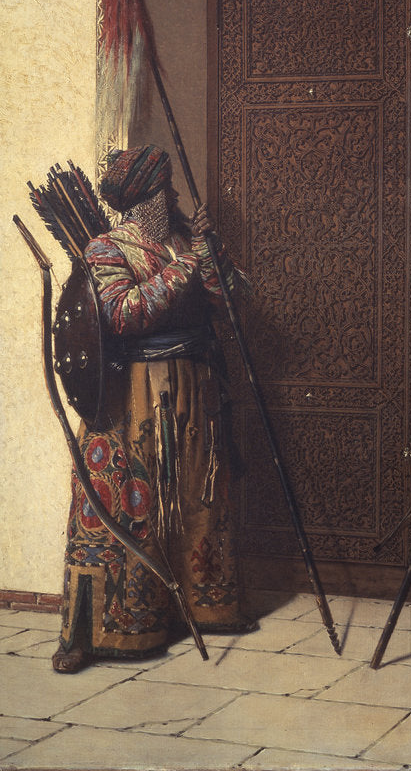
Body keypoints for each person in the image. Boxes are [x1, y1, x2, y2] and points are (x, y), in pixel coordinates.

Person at [53, 144, 253, 672]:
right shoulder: (106, 248)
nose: (173, 196)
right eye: (164, 190)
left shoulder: (186, 240)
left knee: (196, 499)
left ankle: (204, 608)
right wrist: (186, 266)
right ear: (146, 197)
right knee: (129, 504)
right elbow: (123, 313)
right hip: (133, 396)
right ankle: (105, 631)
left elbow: (228, 302)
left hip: (195, 385)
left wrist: (210, 251)